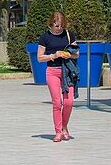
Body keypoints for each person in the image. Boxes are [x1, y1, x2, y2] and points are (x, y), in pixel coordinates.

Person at [37, 11, 79, 142]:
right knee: (57, 102)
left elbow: (76, 54)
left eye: (61, 25)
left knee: (69, 102)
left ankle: (64, 125)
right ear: (51, 24)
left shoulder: (69, 35)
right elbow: (39, 57)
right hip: (52, 70)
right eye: (56, 25)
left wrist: (68, 55)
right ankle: (58, 131)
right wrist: (53, 55)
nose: (59, 28)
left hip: (67, 71)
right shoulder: (45, 37)